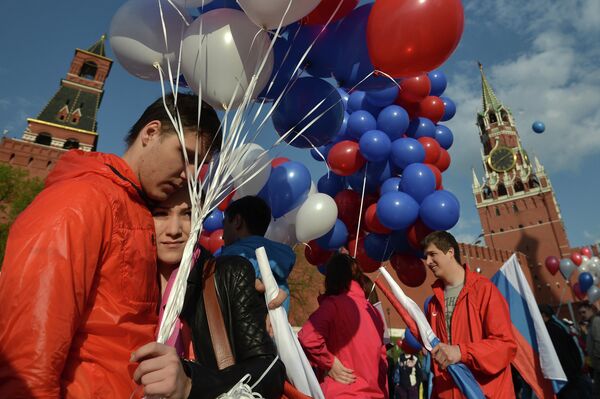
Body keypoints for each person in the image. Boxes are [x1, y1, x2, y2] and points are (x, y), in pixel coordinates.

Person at [0, 93, 221, 398]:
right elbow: (28, 354)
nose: (191, 175)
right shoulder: (81, 200)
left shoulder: (136, 209)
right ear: (151, 132)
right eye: (188, 155)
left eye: (202, 164)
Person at [130, 187, 286, 399]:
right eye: (161, 213)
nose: (174, 229)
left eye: (188, 214)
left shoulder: (228, 273)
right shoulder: (119, 279)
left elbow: (270, 371)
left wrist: (191, 384)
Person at [417, 231, 517, 398]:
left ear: (450, 252)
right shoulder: (433, 303)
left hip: (484, 393)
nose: (428, 262)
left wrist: (461, 352)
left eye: (433, 254)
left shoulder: (484, 290)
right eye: (426, 256)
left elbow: (505, 345)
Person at [298, 253, 388, 398]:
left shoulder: (333, 305)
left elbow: (308, 337)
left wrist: (330, 362)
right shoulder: (373, 312)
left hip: (342, 391)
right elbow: (382, 362)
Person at [221, 195, 295, 311]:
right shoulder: (280, 267)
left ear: (237, 221)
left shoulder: (232, 256)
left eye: (224, 224)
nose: (222, 235)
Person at [538, 304, 589, 398]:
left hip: (567, 374)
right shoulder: (559, 324)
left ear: (544, 315)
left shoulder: (551, 329)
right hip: (574, 371)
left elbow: (560, 354)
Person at [578, 300, 600, 395]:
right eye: (580, 313)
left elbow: (599, 341)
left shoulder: (596, 321)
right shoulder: (591, 324)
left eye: (584, 312)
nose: (582, 315)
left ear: (591, 309)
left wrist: (596, 358)